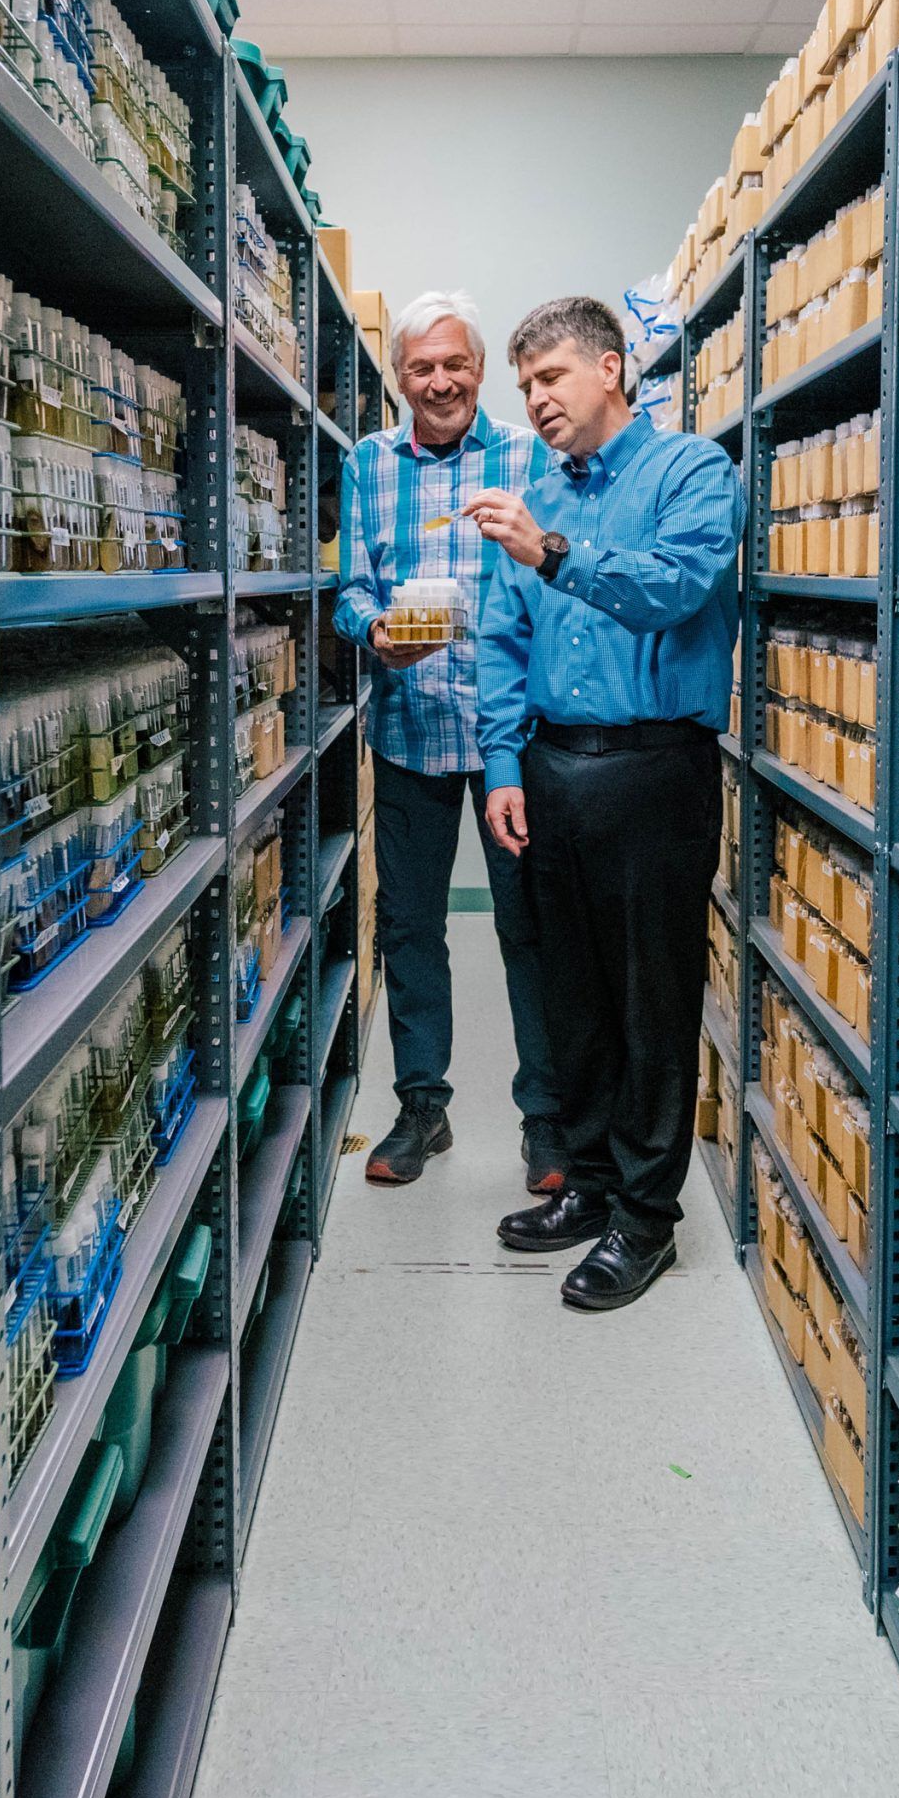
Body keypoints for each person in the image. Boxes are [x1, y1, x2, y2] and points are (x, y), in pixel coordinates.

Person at [471, 295, 741, 1311]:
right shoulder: (536, 493)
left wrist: (554, 552)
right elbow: (502, 637)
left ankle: (643, 1218)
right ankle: (585, 1185)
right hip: (551, 766)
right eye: (526, 384)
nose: (537, 399)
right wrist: (503, 764)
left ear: (612, 369)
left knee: (649, 997)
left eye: (552, 377)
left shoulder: (692, 474)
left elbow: (676, 585)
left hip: (653, 768)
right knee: (572, 997)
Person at [332, 290, 559, 1190]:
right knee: (410, 927)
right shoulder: (368, 463)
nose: (439, 382)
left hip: (511, 736)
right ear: (399, 379)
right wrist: (373, 631)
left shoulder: (526, 453)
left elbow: (552, 571)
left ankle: (545, 1119)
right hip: (409, 727)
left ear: (478, 370)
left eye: (454, 364)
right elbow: (351, 585)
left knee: (528, 928)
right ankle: (422, 1108)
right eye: (421, 367)